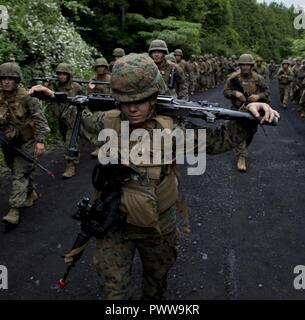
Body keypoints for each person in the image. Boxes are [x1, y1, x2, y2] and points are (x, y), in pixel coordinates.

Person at [29, 53, 279, 300]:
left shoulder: (172, 132)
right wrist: (54, 98)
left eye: (141, 99)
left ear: (155, 97)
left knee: (157, 280)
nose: (133, 107)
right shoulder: (107, 122)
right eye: (126, 101)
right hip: (113, 220)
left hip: (158, 223)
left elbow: (218, 140)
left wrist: (250, 113)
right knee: (112, 291)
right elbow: (77, 119)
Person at [0, 62, 49, 226]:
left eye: (10, 78)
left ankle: (14, 210)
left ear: (17, 80)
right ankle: (30, 192)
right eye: (3, 78)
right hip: (7, 141)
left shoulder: (27, 97)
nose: (7, 81)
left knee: (19, 174)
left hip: (28, 141)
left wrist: (40, 141)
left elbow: (40, 119)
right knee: (13, 167)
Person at [224, 53, 271, 172]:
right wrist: (235, 94)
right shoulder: (233, 78)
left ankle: (242, 149)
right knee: (239, 132)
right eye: (242, 65)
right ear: (239, 65)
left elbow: (266, 92)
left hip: (252, 111)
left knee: (250, 134)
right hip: (237, 110)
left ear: (251, 66)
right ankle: (241, 157)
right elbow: (225, 92)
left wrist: (257, 96)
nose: (245, 67)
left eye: (247, 65)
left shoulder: (258, 78)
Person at [46, 62, 83, 178]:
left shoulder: (76, 87)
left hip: (72, 119)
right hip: (60, 119)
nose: (61, 76)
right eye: (59, 74)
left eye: (64, 74)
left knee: (69, 142)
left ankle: (70, 165)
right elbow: (45, 97)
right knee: (64, 139)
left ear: (69, 75)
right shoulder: (53, 86)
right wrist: (46, 86)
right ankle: (75, 153)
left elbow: (83, 99)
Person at [88, 58, 111, 157]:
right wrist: (91, 88)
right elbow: (89, 94)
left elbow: (113, 93)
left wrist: (100, 87)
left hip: (109, 106)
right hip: (97, 105)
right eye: (98, 67)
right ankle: (99, 147)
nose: (100, 69)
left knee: (109, 127)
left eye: (102, 66)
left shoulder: (110, 79)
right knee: (97, 126)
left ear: (106, 68)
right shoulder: (93, 79)